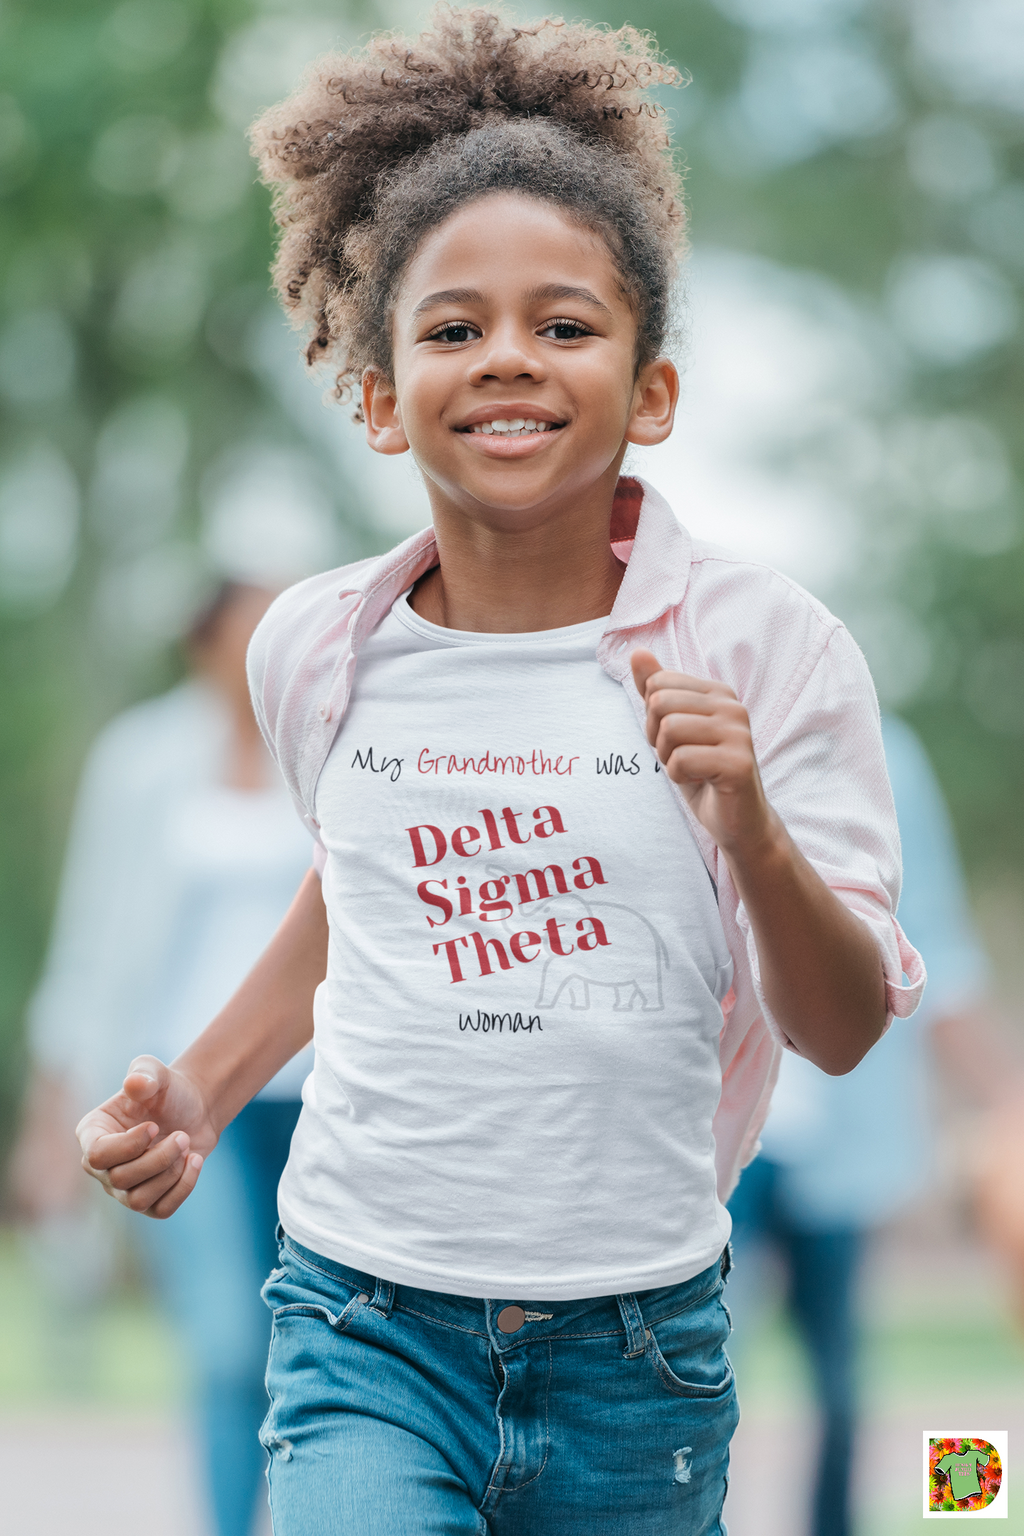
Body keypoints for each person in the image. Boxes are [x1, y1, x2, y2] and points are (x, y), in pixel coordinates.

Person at [72, 10, 925, 1532]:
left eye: (567, 324)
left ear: (650, 391)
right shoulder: (315, 649)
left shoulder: (774, 651)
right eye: (453, 328)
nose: (508, 359)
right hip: (362, 1317)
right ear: (378, 390)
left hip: (638, 1346)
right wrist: (200, 1088)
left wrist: (750, 827)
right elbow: (358, 884)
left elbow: (844, 1027)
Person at [10, 581, 313, 1536]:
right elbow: (92, 939)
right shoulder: (143, 760)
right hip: (187, 1098)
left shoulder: (333, 743)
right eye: (252, 625)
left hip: (323, 1096)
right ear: (206, 643)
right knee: (229, 1338)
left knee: (319, 1342)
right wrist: (48, 1118)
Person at [725, 713, 1019, 1536]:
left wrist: (1005, 1095)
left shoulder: (888, 757)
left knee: (842, 1381)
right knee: (703, 1373)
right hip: (721, 1138)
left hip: (837, 1131)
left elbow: (937, 949)